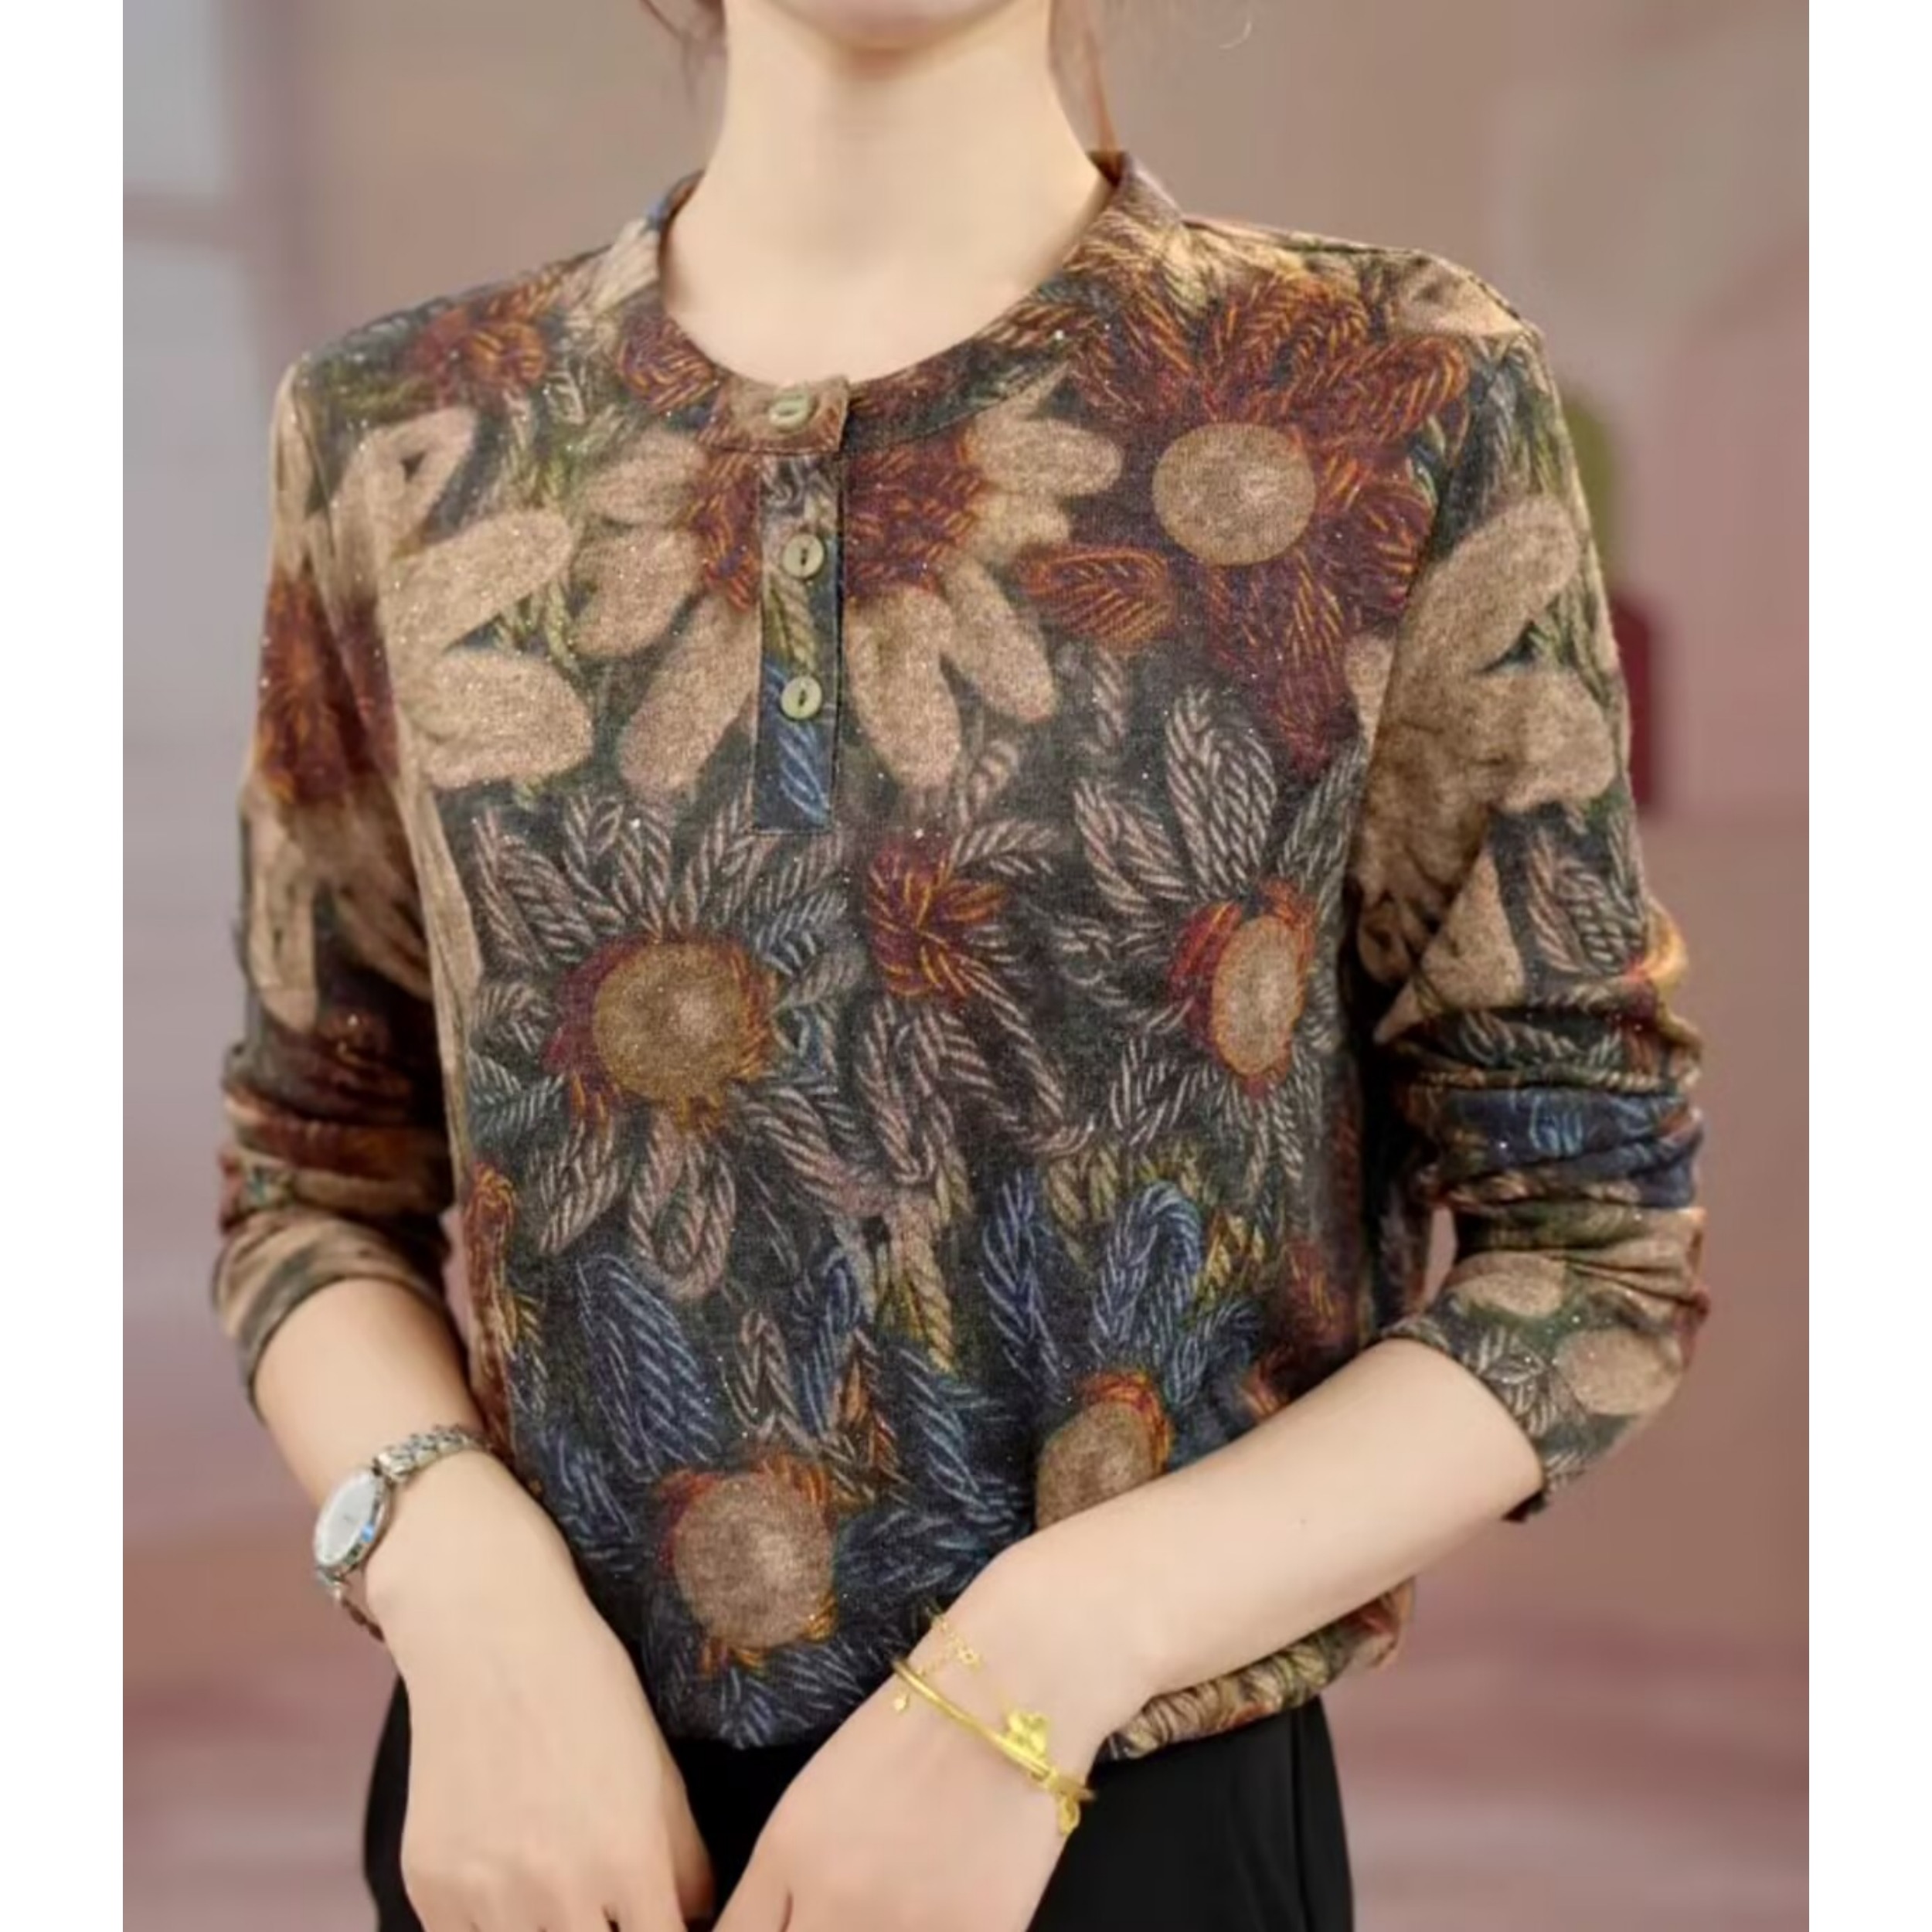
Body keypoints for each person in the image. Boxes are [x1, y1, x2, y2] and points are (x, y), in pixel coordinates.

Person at [210, 2, 1709, 1927]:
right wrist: (458, 1583)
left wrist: (1041, 1661)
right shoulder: (400, 433)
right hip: (533, 1823)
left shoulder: (1391, 393)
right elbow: (309, 1181)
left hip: (1122, 1825)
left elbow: (1589, 1240)